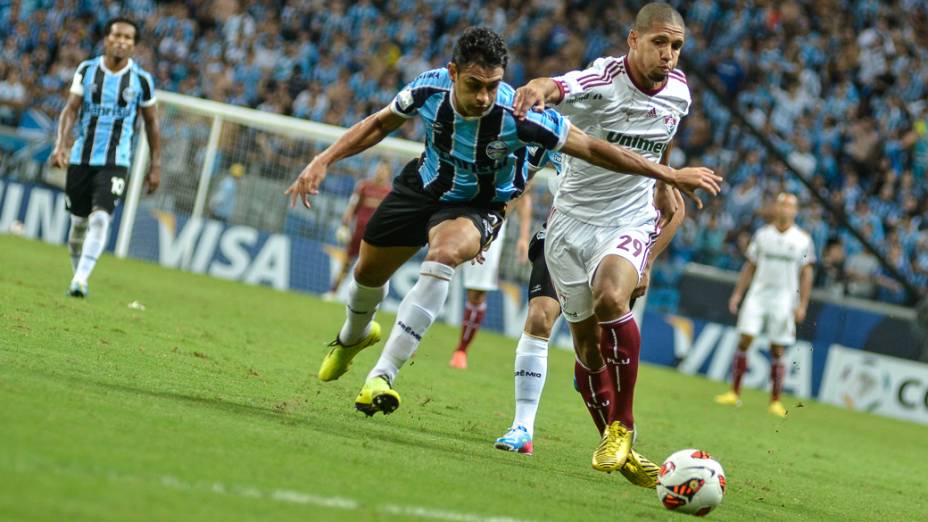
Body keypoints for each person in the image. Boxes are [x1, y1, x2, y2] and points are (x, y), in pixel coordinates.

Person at [286, 26, 719, 422]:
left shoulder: (522, 114)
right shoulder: (428, 88)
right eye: (474, 86)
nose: (483, 98)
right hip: (422, 187)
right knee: (366, 274)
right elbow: (378, 124)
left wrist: (666, 175)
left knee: (444, 254)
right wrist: (323, 160)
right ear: (453, 73)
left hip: (479, 204)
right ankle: (352, 337)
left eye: (493, 86)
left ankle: (382, 375)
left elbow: (594, 147)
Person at [509, 2, 710, 474]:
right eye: (660, 42)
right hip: (569, 224)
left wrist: (661, 185)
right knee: (587, 348)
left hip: (628, 219)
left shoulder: (678, 92)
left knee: (611, 298)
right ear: (633, 40)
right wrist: (535, 88)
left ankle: (623, 424)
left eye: (676, 45)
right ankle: (618, 449)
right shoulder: (604, 82)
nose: (669, 54)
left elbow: (660, 138)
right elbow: (558, 85)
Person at [51, 17, 161, 297]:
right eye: (117, 36)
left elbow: (151, 124)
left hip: (116, 161)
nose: (122, 42)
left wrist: (155, 164)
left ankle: (80, 281)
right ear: (107, 39)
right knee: (78, 224)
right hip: (81, 158)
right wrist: (60, 144)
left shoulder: (142, 81)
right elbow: (70, 109)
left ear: (134, 46)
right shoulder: (87, 70)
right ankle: (78, 274)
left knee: (101, 219)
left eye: (128, 38)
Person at [716, 193, 815, 417]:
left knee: (777, 347)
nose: (785, 208)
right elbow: (750, 266)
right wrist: (738, 294)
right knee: (745, 338)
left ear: (795, 211)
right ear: (775, 208)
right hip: (758, 295)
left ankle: (775, 400)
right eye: (781, 204)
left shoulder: (802, 240)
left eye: (789, 205)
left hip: (784, 299)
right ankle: (734, 392)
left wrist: (802, 305)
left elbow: (807, 274)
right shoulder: (762, 235)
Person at [448, 193, 532, 370]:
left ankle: (461, 350)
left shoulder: (520, 168)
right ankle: (411, 337)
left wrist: (524, 237)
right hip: (460, 212)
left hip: (493, 223)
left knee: (477, 294)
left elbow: (524, 195)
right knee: (438, 271)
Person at [323, 161, 393, 301]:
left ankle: (366, 299)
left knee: (371, 269)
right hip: (358, 233)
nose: (380, 172)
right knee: (347, 263)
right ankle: (333, 292)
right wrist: (345, 225)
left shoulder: (390, 192)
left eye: (383, 170)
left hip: (376, 236)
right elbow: (352, 206)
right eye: (379, 169)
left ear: (388, 173)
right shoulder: (364, 186)